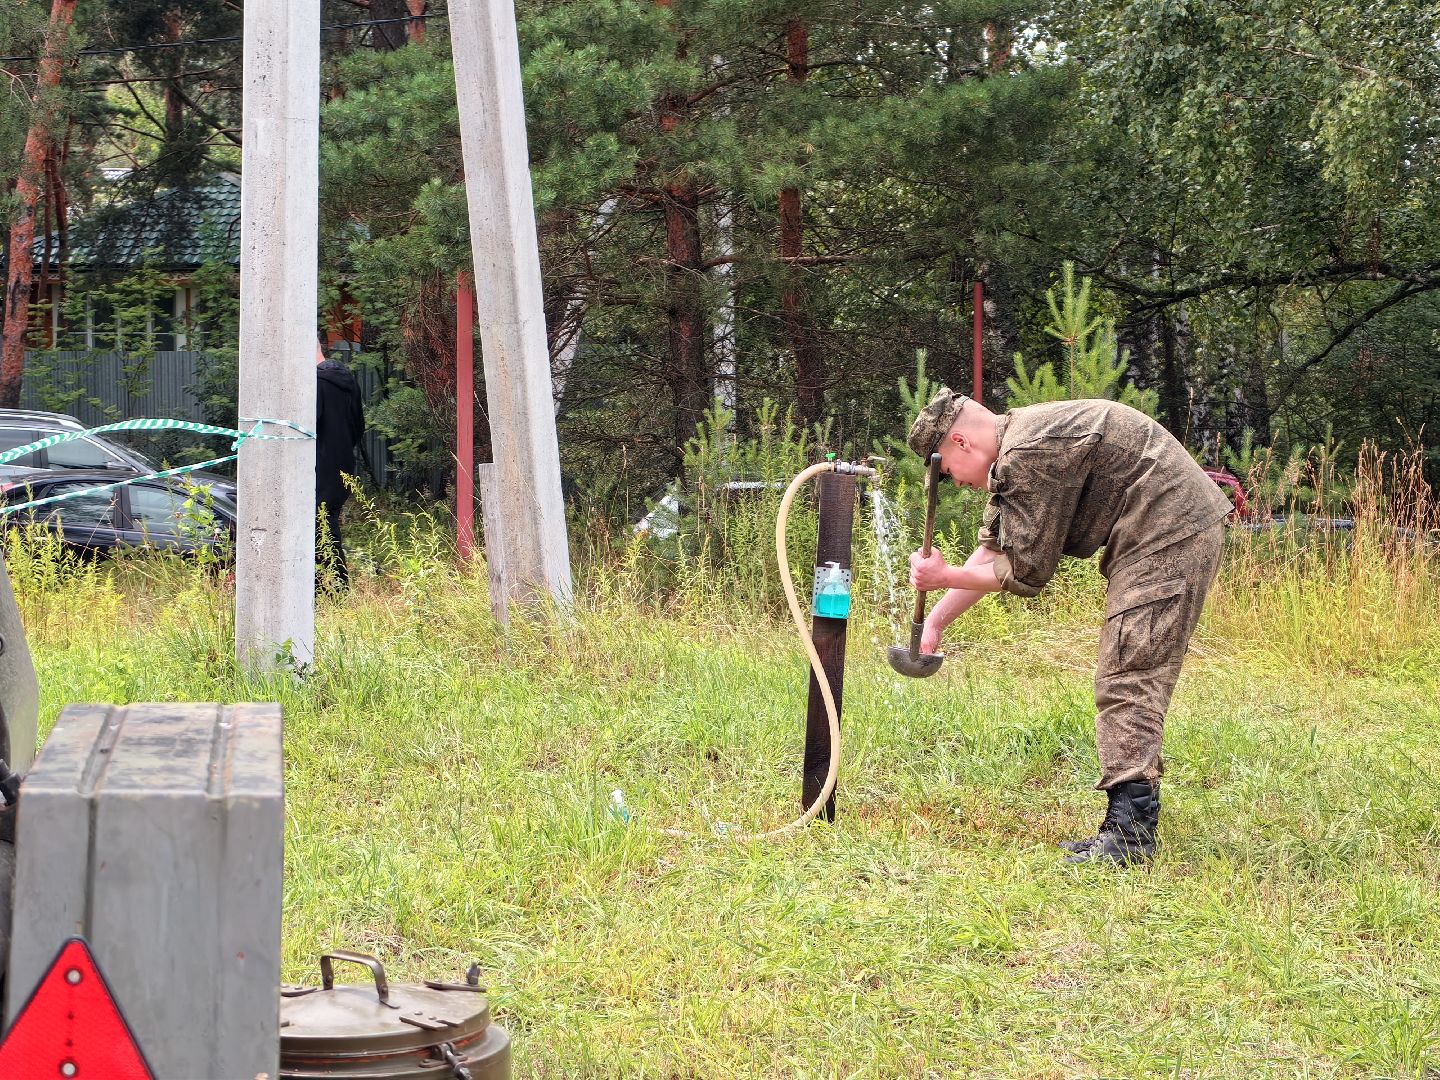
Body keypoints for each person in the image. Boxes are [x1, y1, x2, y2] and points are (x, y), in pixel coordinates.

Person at [906, 388, 1233, 865]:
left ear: (961, 442)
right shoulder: (1016, 445)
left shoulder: (1028, 452)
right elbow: (995, 551)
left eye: (949, 472)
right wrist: (936, 621)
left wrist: (944, 576)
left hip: (1171, 529)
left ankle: (1130, 836)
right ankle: (1125, 825)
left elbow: (1025, 572)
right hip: (1157, 528)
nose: (956, 484)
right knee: (1126, 666)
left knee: (1129, 669)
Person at [315, 342, 366, 590]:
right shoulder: (348, 382)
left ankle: (334, 589)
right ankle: (328, 589)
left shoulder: (315, 384)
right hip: (342, 468)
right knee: (326, 524)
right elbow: (359, 427)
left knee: (319, 526)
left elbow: (307, 429)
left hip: (319, 469)